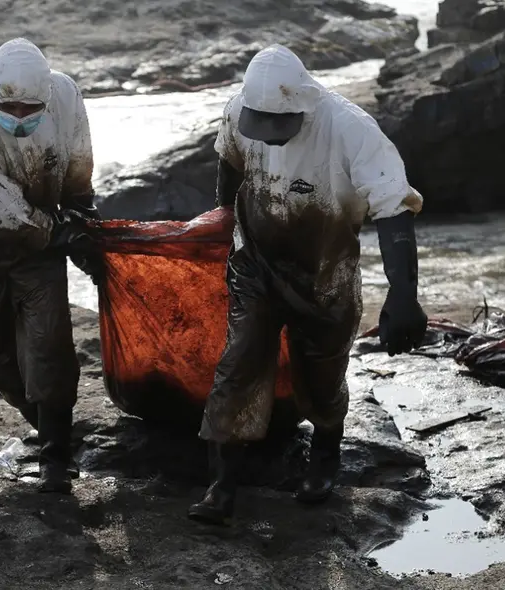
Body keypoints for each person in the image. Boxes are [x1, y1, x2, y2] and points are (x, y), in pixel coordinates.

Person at [187, 44, 428, 525]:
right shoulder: (238, 110)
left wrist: (404, 295)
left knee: (322, 373)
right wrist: (223, 223)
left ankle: (324, 455)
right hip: (256, 263)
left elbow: (393, 209)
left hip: (325, 270)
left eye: (279, 125)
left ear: (303, 104)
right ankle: (222, 484)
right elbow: (229, 164)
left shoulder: (351, 129)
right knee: (238, 364)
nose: (270, 137)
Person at [0, 38, 104, 495]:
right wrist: (64, 236)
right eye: (11, 108)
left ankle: (55, 454)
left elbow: (77, 165)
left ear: (47, 97)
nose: (22, 117)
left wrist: (82, 217)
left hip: (39, 243)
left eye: (32, 109)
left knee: (49, 342)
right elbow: (3, 212)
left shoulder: (65, 96)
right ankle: (43, 423)